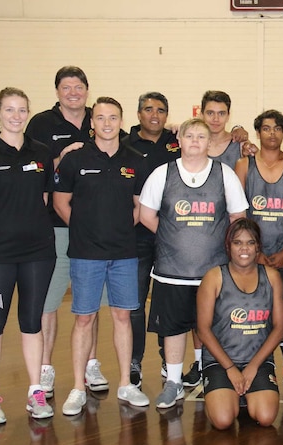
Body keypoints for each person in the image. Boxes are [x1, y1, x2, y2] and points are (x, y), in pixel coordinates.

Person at [139, 118, 249, 409]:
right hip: (172, 271)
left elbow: (238, 216)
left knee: (210, 325)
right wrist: (175, 236)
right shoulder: (162, 173)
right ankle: (174, 382)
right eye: (190, 136)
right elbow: (146, 215)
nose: (196, 141)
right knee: (173, 327)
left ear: (210, 142)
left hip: (213, 271)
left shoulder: (224, 174)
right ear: (180, 140)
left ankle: (205, 371)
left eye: (202, 136)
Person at [0, 87, 56, 424]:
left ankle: (35, 391)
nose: (16, 116)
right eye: (10, 110)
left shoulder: (42, 153)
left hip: (38, 252)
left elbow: (44, 198)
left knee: (32, 323)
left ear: (28, 113)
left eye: (21, 110)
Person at [54, 97, 150, 415]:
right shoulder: (74, 159)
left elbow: (138, 207)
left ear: (121, 121)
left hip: (123, 253)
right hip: (85, 254)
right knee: (84, 318)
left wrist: (118, 230)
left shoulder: (134, 159)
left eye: (112, 117)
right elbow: (60, 202)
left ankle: (125, 383)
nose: (106, 123)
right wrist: (84, 230)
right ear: (91, 123)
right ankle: (78, 388)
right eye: (100, 117)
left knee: (122, 317)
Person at [26, 66, 108, 399]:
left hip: (93, 227)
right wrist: (61, 157)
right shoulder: (42, 124)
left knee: (89, 304)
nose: (73, 92)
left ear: (87, 90)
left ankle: (91, 363)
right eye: (66, 87)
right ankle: (45, 367)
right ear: (57, 91)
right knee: (48, 301)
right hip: (56, 227)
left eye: (78, 87)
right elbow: (33, 168)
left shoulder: (99, 118)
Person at [196, 218, 283, 430]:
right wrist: (230, 368)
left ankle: (244, 395)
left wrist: (254, 366)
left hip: (257, 360)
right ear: (228, 247)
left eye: (250, 242)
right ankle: (231, 393)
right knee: (222, 421)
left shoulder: (272, 277)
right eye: (237, 243)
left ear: (258, 247)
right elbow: (203, 329)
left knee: (265, 417)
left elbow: (280, 327)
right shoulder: (214, 277)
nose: (244, 248)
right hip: (220, 362)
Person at [122, 91, 180, 387]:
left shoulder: (177, 144)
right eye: (148, 109)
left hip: (172, 240)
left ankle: (167, 361)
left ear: (167, 116)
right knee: (134, 302)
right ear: (138, 114)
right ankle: (134, 361)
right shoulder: (124, 146)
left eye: (160, 110)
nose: (154, 115)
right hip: (138, 238)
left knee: (167, 302)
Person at [235, 109, 283, 271]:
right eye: (266, 128)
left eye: (277, 128)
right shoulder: (244, 165)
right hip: (251, 253)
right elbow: (238, 213)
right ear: (258, 133)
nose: (272, 133)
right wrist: (256, 251)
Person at [199, 90, 249, 170]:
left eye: (221, 113)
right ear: (201, 115)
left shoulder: (240, 145)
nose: (216, 119)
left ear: (228, 116)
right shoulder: (192, 144)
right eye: (210, 113)